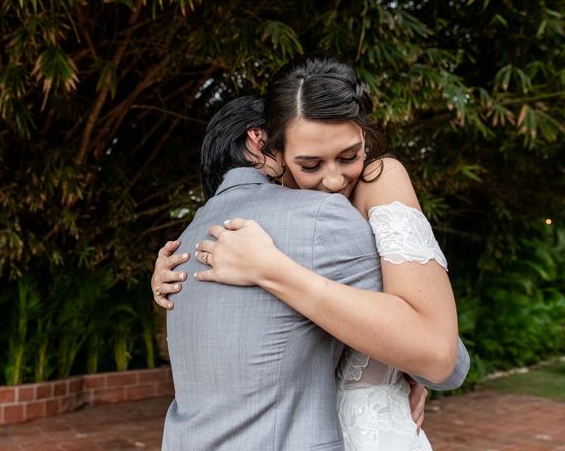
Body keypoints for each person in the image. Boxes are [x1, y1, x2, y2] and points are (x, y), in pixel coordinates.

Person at [153, 57, 469, 450]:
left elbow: (436, 353)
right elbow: (443, 359)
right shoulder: (309, 218)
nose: (334, 179)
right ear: (272, 150)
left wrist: (272, 269)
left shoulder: (379, 180)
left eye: (350, 156)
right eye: (310, 164)